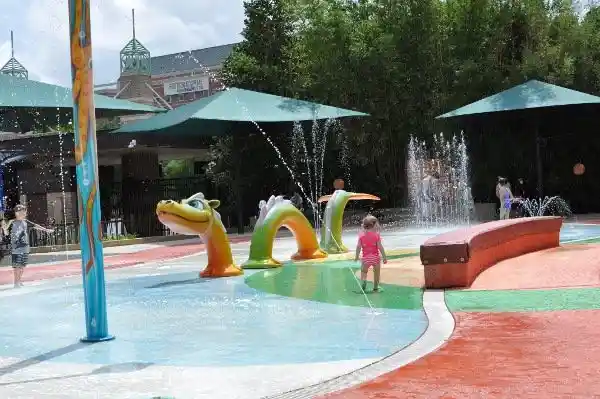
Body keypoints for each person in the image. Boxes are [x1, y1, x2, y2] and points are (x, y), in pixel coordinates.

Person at [2, 204, 54, 288]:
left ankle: (19, 280)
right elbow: (6, 233)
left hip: (25, 248)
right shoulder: (12, 222)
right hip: (16, 248)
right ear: (16, 213)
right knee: (17, 266)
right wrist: (4, 229)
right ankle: (16, 282)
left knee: (22, 265)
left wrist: (46, 230)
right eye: (20, 212)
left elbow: (36, 226)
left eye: (23, 212)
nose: (22, 214)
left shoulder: (26, 222)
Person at [354, 215, 387, 293]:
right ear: (374, 225)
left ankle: (364, 281)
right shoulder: (376, 235)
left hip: (365, 259)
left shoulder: (361, 235)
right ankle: (375, 287)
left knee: (364, 271)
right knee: (376, 273)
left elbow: (358, 247)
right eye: (377, 224)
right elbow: (380, 247)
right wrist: (384, 257)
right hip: (375, 258)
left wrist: (356, 257)